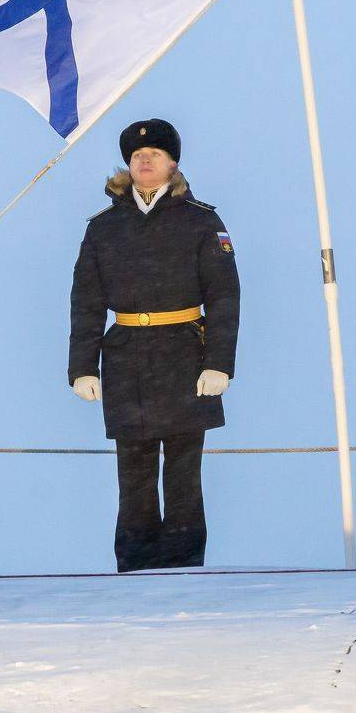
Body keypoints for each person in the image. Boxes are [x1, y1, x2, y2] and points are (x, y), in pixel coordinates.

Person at [68, 118, 240, 572]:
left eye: (155, 155)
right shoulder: (104, 227)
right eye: (137, 156)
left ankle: (184, 572)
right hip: (126, 358)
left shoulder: (201, 221)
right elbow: (86, 302)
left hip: (186, 356)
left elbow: (224, 296)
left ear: (172, 164)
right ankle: (135, 573)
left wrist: (220, 363)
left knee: (183, 475)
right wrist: (82, 367)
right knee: (134, 476)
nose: (145, 161)